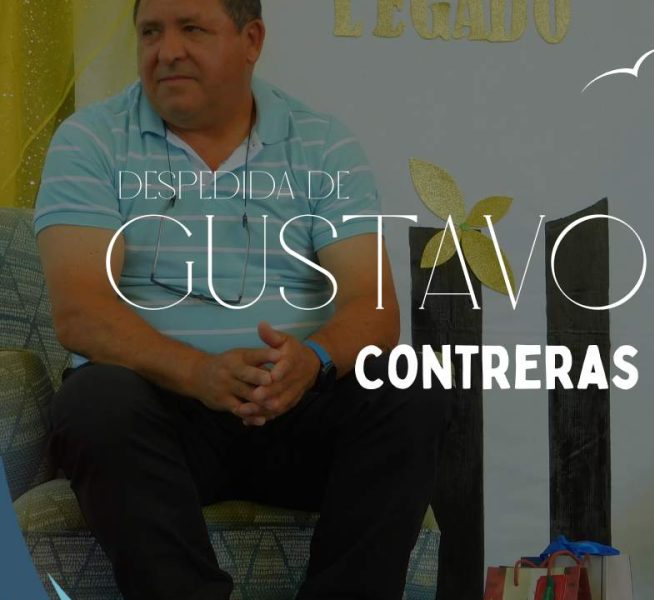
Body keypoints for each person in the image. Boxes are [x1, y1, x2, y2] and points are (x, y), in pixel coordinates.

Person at [34, 0, 449, 598]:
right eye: (150, 32)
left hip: (296, 406)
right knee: (95, 401)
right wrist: (197, 372)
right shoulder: (91, 141)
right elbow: (81, 313)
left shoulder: (322, 144)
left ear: (251, 40)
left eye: (191, 29)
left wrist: (311, 361)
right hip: (160, 416)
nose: (166, 51)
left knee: (409, 387)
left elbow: (374, 308)